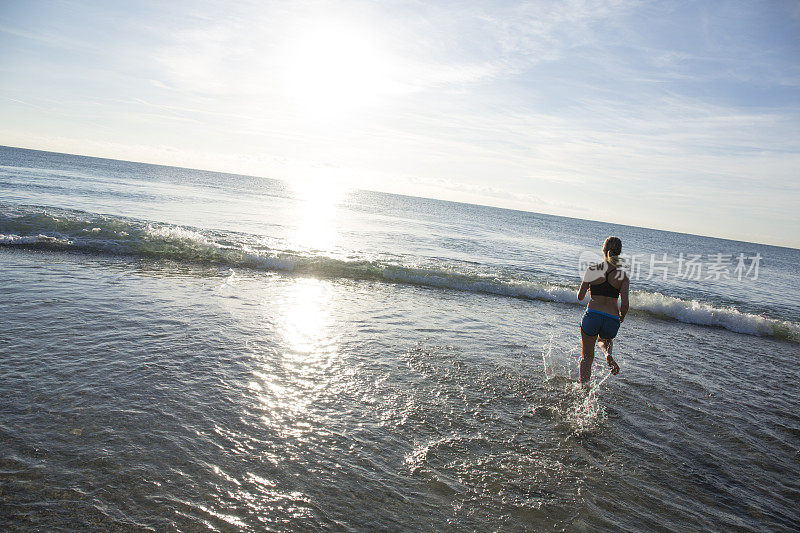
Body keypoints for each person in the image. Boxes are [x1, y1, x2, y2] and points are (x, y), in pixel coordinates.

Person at [576, 236, 629, 384]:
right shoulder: (623, 275)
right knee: (605, 339)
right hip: (611, 319)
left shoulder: (592, 270)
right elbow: (625, 304)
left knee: (587, 358)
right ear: (619, 253)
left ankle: (583, 389)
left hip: (592, 315)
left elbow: (580, 297)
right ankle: (607, 354)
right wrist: (621, 317)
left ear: (603, 250)